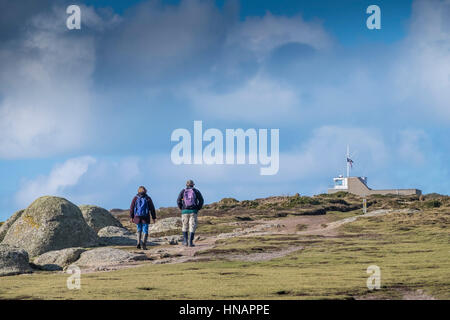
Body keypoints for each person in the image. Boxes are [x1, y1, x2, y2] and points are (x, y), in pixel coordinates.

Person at [177, 180, 204, 247]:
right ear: (193, 185)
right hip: (193, 211)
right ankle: (190, 242)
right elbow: (201, 200)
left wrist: (181, 208)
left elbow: (178, 200)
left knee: (185, 225)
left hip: (184, 211)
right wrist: (198, 208)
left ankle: (185, 241)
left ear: (186, 185)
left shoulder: (183, 191)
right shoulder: (196, 191)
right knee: (192, 225)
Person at [130, 186, 156, 250]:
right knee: (145, 230)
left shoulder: (135, 198)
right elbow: (152, 208)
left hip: (137, 217)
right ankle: (144, 245)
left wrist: (132, 217)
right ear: (145, 191)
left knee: (139, 230)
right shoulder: (148, 198)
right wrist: (154, 217)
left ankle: (138, 243)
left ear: (138, 191)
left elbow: (132, 208)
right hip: (146, 217)